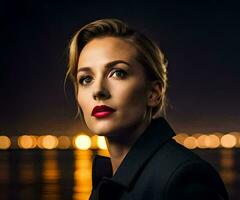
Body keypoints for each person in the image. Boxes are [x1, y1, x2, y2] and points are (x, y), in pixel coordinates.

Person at [65, 18, 229, 200]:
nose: (98, 91)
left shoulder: (183, 179)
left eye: (118, 73)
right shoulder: (106, 179)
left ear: (153, 93)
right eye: (86, 79)